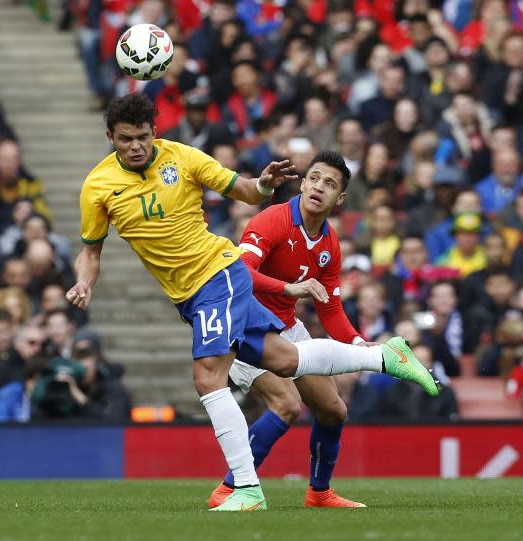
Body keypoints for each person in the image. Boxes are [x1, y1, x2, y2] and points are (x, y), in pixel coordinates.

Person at [66, 93, 439, 512]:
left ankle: (244, 488)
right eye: (125, 139)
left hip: (215, 274)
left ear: (156, 132)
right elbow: (91, 251)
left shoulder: (184, 158)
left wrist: (262, 184)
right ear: (110, 137)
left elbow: (243, 190)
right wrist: (84, 283)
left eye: (143, 137)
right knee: (283, 360)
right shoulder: (97, 186)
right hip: (189, 295)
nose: (136, 146)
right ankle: (385, 358)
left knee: (209, 378)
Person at [209, 151, 370, 509]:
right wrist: (288, 289)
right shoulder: (273, 220)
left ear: (340, 199)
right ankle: (231, 488)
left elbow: (330, 308)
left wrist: (362, 345)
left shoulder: (329, 244)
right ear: (302, 181)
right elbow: (239, 271)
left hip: (287, 327)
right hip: (245, 324)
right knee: (286, 405)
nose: (318, 187)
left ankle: (319, 493)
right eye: (314, 177)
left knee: (333, 411)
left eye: (330, 184)